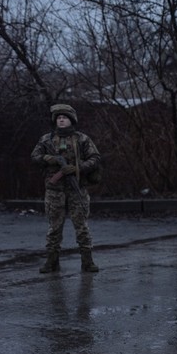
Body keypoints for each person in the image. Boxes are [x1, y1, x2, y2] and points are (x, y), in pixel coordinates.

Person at [31, 104, 102, 273]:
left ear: (71, 120)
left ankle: (87, 261)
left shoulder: (82, 139)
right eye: (59, 118)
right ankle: (52, 262)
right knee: (54, 227)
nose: (61, 120)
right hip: (54, 189)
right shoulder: (46, 140)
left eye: (65, 117)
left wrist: (78, 169)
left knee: (82, 226)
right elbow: (35, 156)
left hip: (77, 187)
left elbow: (95, 158)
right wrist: (49, 158)